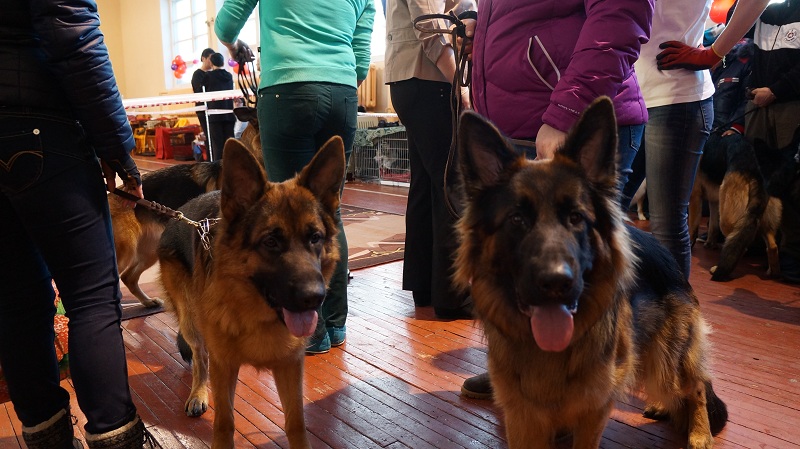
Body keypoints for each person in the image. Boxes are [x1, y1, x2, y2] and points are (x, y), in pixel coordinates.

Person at [456, 0, 654, 399]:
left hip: (571, 122)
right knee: (523, 266)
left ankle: (583, 387)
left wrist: (568, 110)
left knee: (589, 268)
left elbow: (621, 13)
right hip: (517, 120)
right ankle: (530, 378)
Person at [0, 0, 158, 447]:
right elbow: (73, 34)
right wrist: (116, 145)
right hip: (43, 131)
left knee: (15, 304)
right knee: (91, 299)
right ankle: (114, 435)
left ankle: (45, 438)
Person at [214, 0, 375, 354]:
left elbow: (226, 23)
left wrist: (231, 44)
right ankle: (334, 324)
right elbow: (362, 52)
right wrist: (339, 76)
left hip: (288, 88)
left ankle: (309, 334)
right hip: (343, 93)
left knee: (279, 216)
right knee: (326, 215)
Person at [624, 0, 772, 279]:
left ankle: (677, 321)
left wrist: (714, 53)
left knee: (665, 225)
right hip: (623, 92)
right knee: (603, 212)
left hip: (674, 95)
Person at [384, 0, 476, 320]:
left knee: (426, 184)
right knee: (451, 183)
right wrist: (459, 83)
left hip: (411, 80)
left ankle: (423, 287)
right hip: (431, 80)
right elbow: (429, 25)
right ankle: (453, 296)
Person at [201, 52, 236, 161]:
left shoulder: (208, 76)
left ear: (211, 62)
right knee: (230, 144)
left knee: (217, 146)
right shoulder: (229, 76)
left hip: (214, 116)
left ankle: (218, 171)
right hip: (229, 114)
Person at [191, 48, 215, 141]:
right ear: (203, 59)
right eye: (209, 58)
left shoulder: (213, 74)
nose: (211, 61)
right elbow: (198, 91)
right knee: (208, 137)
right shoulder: (197, 74)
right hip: (203, 109)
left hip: (213, 109)